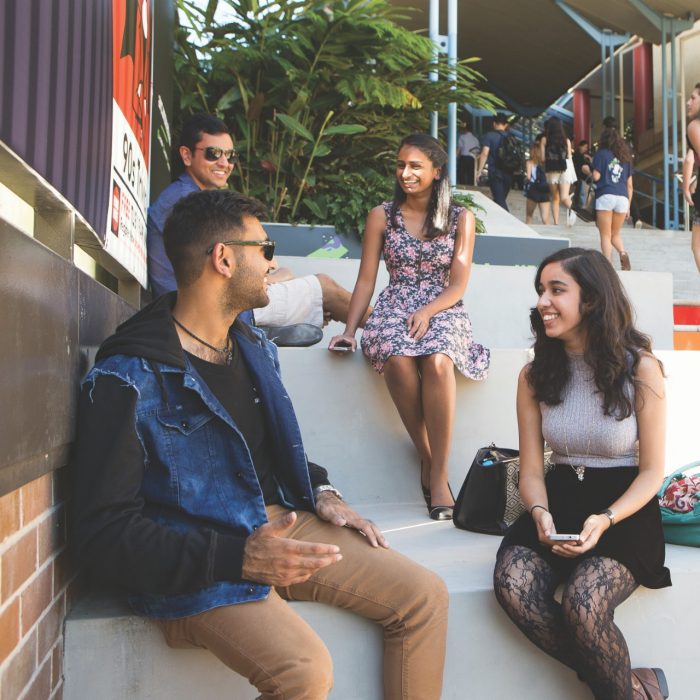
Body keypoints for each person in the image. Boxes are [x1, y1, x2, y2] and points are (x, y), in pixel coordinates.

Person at [73, 189, 449, 699]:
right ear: (223, 259)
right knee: (304, 672)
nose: (273, 264)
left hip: (283, 522)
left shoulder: (250, 345)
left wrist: (324, 492)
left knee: (423, 596)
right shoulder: (128, 377)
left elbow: (268, 454)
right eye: (265, 249)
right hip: (205, 562)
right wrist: (239, 558)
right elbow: (103, 532)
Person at [493, 247, 671, 700]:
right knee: (513, 585)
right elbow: (531, 470)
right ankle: (629, 685)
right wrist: (539, 513)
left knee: (583, 604)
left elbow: (652, 472)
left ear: (590, 299)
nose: (542, 302)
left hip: (624, 509)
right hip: (557, 504)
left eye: (557, 290)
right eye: (540, 291)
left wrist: (606, 518)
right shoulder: (534, 375)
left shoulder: (641, 368)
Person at [329, 133, 490, 521]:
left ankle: (437, 473)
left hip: (444, 305)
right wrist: (350, 330)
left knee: (437, 360)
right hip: (395, 302)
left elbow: (457, 283)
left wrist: (429, 311)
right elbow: (367, 278)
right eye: (401, 164)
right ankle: (430, 458)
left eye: (415, 166)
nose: (405, 173)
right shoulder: (381, 215)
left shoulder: (459, 217)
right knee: (397, 357)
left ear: (436, 172)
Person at [147, 113, 369, 335]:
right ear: (186, 155)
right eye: (213, 154)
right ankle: (394, 331)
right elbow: (226, 268)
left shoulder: (190, 198)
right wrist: (274, 279)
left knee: (297, 280)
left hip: (209, 305)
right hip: (205, 311)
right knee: (325, 288)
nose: (224, 163)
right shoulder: (186, 203)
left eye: (230, 156)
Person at [591, 127, 634, 270]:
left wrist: (587, 171)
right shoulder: (625, 158)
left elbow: (596, 177)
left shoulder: (601, 154)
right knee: (615, 234)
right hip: (622, 198)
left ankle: (607, 266)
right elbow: (630, 185)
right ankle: (623, 253)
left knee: (605, 234)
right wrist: (628, 207)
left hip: (606, 195)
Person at [540, 117, 576, 226]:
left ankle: (556, 222)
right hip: (565, 167)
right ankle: (574, 210)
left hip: (551, 169)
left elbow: (542, 159)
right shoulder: (567, 141)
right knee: (564, 196)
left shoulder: (545, 139)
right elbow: (569, 157)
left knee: (555, 197)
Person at [476, 113, 514, 211]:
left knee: (500, 202)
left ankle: (511, 223)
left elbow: (484, 153)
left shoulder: (489, 136)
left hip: (495, 173)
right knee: (499, 200)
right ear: (505, 125)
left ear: (494, 124)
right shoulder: (511, 137)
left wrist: (479, 171)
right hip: (509, 173)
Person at [682, 82, 700, 272]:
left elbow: (689, 160)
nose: (688, 102)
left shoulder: (694, 126)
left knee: (697, 246)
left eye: (693, 98)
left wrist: (686, 187)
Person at [524, 135, 551, 225]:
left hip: (533, 190)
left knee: (529, 216)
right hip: (544, 190)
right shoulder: (546, 164)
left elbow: (528, 177)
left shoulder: (529, 162)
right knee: (545, 219)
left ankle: (529, 236)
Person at [456, 119, 480, 186]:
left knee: (462, 174)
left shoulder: (462, 137)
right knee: (471, 175)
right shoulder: (475, 139)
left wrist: (456, 158)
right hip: (472, 159)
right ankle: (471, 187)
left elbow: (459, 149)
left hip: (464, 158)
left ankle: (462, 186)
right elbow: (477, 151)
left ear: (465, 129)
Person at [571, 140, 592, 209]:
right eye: (584, 147)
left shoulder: (583, 156)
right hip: (579, 176)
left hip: (581, 176)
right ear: (580, 146)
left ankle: (583, 204)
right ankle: (584, 205)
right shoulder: (577, 155)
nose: (585, 149)